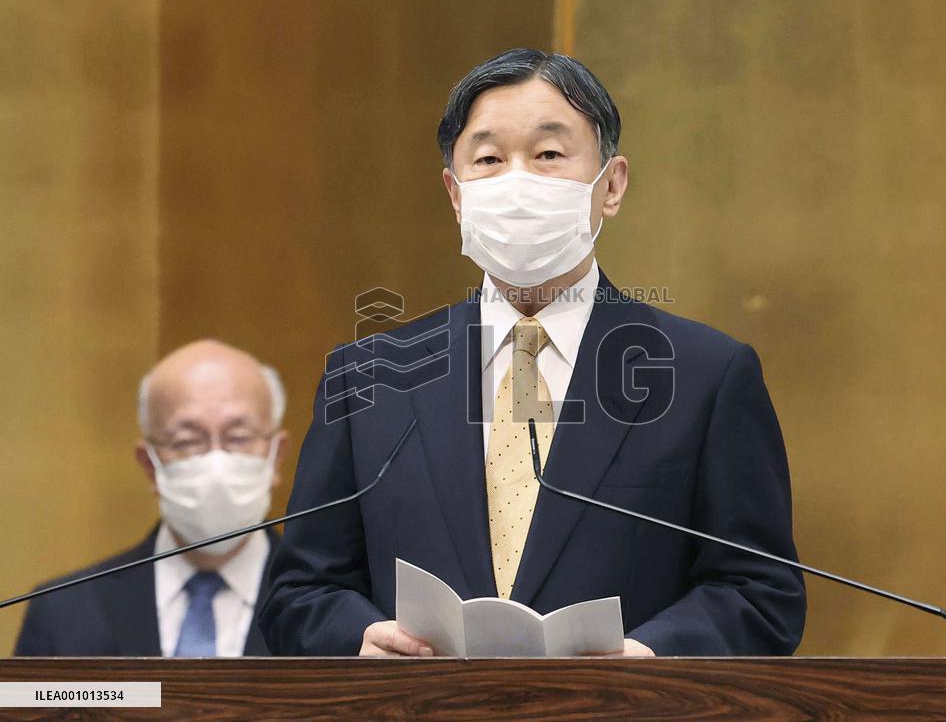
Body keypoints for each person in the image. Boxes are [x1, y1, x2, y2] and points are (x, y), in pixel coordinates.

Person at [261, 48, 806, 657]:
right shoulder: (370, 377)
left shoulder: (706, 375)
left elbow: (759, 590)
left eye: (548, 155)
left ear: (612, 185)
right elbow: (299, 591)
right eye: (489, 159)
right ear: (455, 193)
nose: (516, 182)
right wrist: (358, 638)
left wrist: (653, 657)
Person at [15, 340, 289, 657]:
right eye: (187, 440)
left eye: (238, 437)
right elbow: (32, 704)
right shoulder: (63, 612)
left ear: (276, 456)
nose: (216, 461)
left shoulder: (331, 607)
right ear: (149, 463)